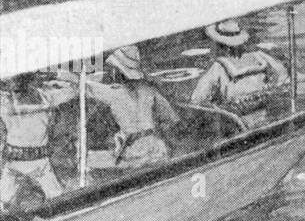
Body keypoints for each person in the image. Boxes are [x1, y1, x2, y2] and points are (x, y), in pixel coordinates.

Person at [61, 47, 178, 169]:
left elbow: (82, 85)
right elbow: (171, 119)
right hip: (158, 150)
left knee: (85, 160)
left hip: (134, 153)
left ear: (117, 72)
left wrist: (64, 73)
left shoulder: (114, 93)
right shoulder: (149, 90)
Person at [0, 71, 77, 210]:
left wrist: (54, 76)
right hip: (20, 163)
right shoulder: (46, 97)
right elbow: (74, 87)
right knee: (58, 200)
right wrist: (56, 77)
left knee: (58, 200)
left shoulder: (45, 97)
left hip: (34, 163)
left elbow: (75, 88)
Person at [190, 21, 290, 126]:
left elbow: (197, 100)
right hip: (266, 116)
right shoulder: (260, 57)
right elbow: (283, 77)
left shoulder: (218, 68)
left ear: (221, 45)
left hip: (238, 124)